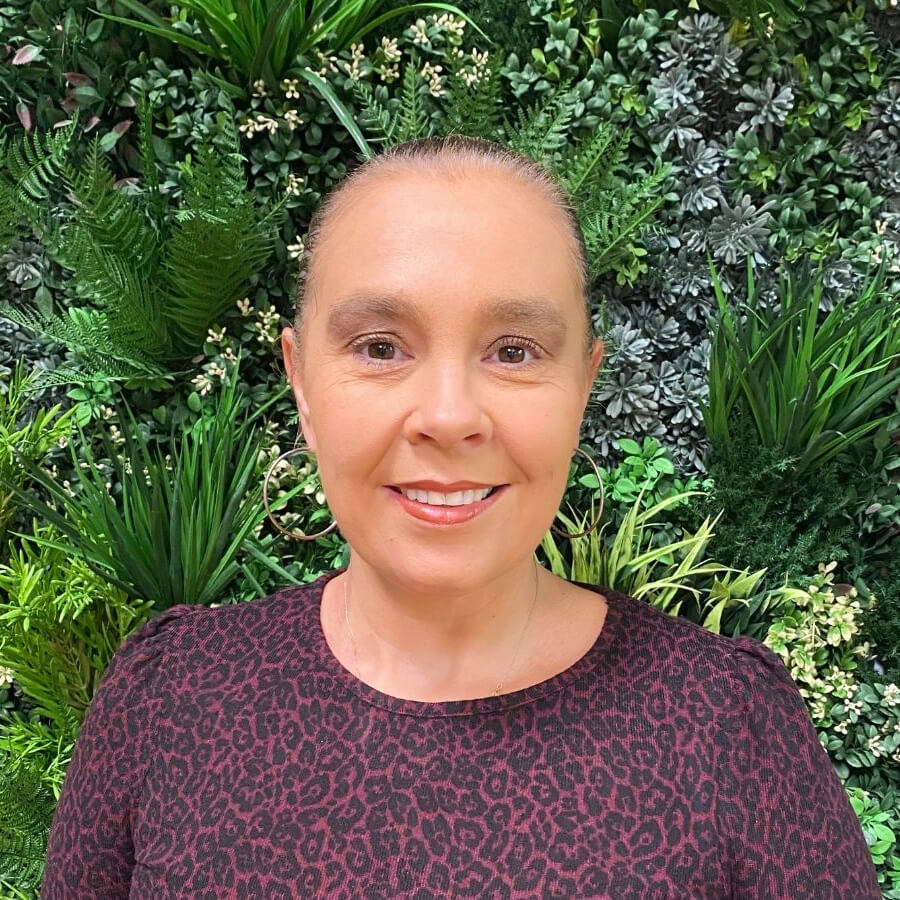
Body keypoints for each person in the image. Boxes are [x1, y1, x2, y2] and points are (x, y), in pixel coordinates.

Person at [41, 135, 879, 899]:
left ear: (584, 384)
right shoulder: (173, 699)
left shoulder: (726, 727)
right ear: (300, 382)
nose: (448, 415)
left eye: (514, 351)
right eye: (380, 347)